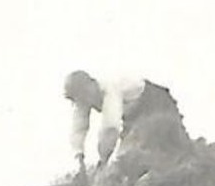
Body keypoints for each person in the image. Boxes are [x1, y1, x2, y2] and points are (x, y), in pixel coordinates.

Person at [63, 70, 191, 176]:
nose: (83, 100)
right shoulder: (83, 101)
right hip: (132, 115)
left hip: (154, 100)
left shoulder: (109, 89)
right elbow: (78, 128)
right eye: (78, 98)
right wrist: (79, 158)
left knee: (154, 142)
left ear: (90, 85)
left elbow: (110, 128)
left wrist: (102, 162)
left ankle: (187, 162)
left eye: (83, 94)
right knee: (127, 157)